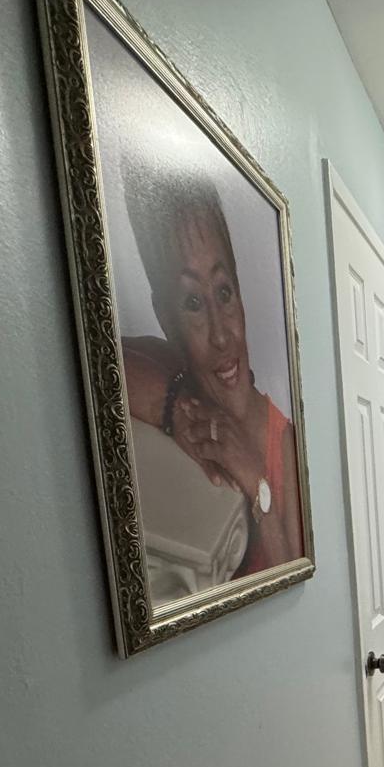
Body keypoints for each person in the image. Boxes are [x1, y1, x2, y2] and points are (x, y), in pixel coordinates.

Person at [121, 164, 304, 579]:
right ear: (164, 317)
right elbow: (99, 358)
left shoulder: (286, 443)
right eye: (193, 303)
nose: (222, 336)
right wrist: (174, 407)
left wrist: (256, 481)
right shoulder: (167, 370)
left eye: (224, 293)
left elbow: (293, 584)